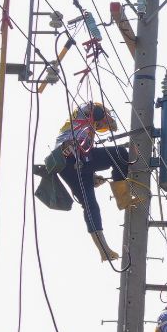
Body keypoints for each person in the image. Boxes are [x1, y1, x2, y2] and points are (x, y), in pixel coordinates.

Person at [37, 102, 132, 261]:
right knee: (120, 154)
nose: (101, 126)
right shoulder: (88, 108)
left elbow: (87, 155)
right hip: (72, 155)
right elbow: (99, 113)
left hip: (71, 163)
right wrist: (111, 122)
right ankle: (123, 199)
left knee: (90, 205)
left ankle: (104, 250)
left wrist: (92, 177)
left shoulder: (80, 128)